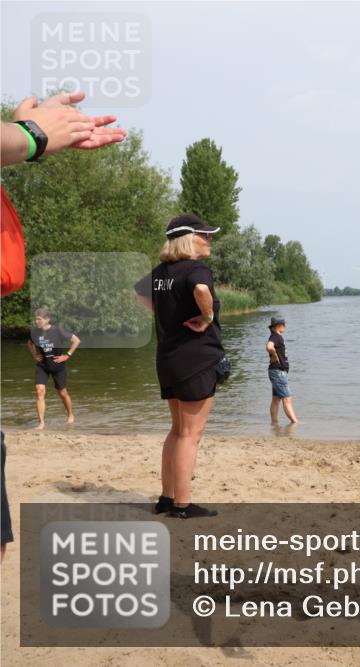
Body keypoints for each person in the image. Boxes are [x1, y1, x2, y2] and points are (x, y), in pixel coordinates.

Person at [1, 91, 125, 560]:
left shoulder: (54, 330)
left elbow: (72, 338)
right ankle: (49, 419)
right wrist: (31, 136)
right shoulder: (37, 333)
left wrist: (21, 139)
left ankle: (67, 418)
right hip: (44, 364)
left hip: (59, 363)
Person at [134, 214, 225, 519]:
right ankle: (183, 505)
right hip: (196, 359)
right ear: (189, 238)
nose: (210, 240)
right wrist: (208, 317)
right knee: (190, 435)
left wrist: (165, 313)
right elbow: (201, 290)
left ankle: (166, 497)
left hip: (168, 359)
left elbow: (140, 293)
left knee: (177, 431)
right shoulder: (197, 268)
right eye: (205, 235)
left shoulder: (161, 271)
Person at [27, 308, 80, 429]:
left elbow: (76, 341)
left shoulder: (58, 330)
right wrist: (34, 354)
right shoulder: (34, 332)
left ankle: (70, 415)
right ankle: (41, 423)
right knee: (39, 391)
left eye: (39, 319)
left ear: (47, 319)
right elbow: (29, 343)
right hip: (43, 365)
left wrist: (67, 355)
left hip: (57, 365)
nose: (37, 321)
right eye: (36, 319)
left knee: (62, 392)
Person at [266, 316, 298, 424]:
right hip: (278, 372)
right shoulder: (276, 337)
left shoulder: (276, 336)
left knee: (276, 399)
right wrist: (274, 354)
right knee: (287, 399)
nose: (285, 326)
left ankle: (274, 423)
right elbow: (269, 346)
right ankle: (295, 422)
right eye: (284, 324)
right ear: (278, 326)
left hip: (276, 371)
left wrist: (274, 355)